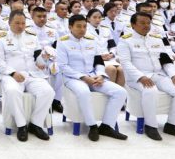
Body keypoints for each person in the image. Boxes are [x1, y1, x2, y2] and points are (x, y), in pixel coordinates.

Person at [116, 12, 175, 141]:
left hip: (158, 75)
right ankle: (151, 126)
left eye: (148, 23)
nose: (146, 25)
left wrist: (173, 75)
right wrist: (141, 77)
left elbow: (165, 60)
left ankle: (173, 125)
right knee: (151, 91)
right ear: (133, 25)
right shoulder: (125, 40)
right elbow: (126, 63)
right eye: (142, 23)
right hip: (136, 78)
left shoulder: (156, 39)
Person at [55, 14, 129, 142]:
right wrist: (83, 77)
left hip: (93, 76)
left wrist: (100, 75)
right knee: (84, 92)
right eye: (78, 26)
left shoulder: (91, 40)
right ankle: (92, 126)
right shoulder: (63, 42)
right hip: (72, 78)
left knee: (120, 92)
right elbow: (63, 66)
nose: (82, 29)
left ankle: (106, 126)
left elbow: (98, 61)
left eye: (84, 26)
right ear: (70, 27)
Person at [0, 10, 54, 142]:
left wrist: (44, 57)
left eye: (23, 23)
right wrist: (12, 73)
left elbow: (38, 60)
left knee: (48, 91)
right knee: (12, 91)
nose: (21, 26)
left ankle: (36, 124)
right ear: (9, 23)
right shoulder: (0, 38)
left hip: (31, 74)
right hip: (10, 75)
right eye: (17, 23)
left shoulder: (32, 37)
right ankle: (21, 125)